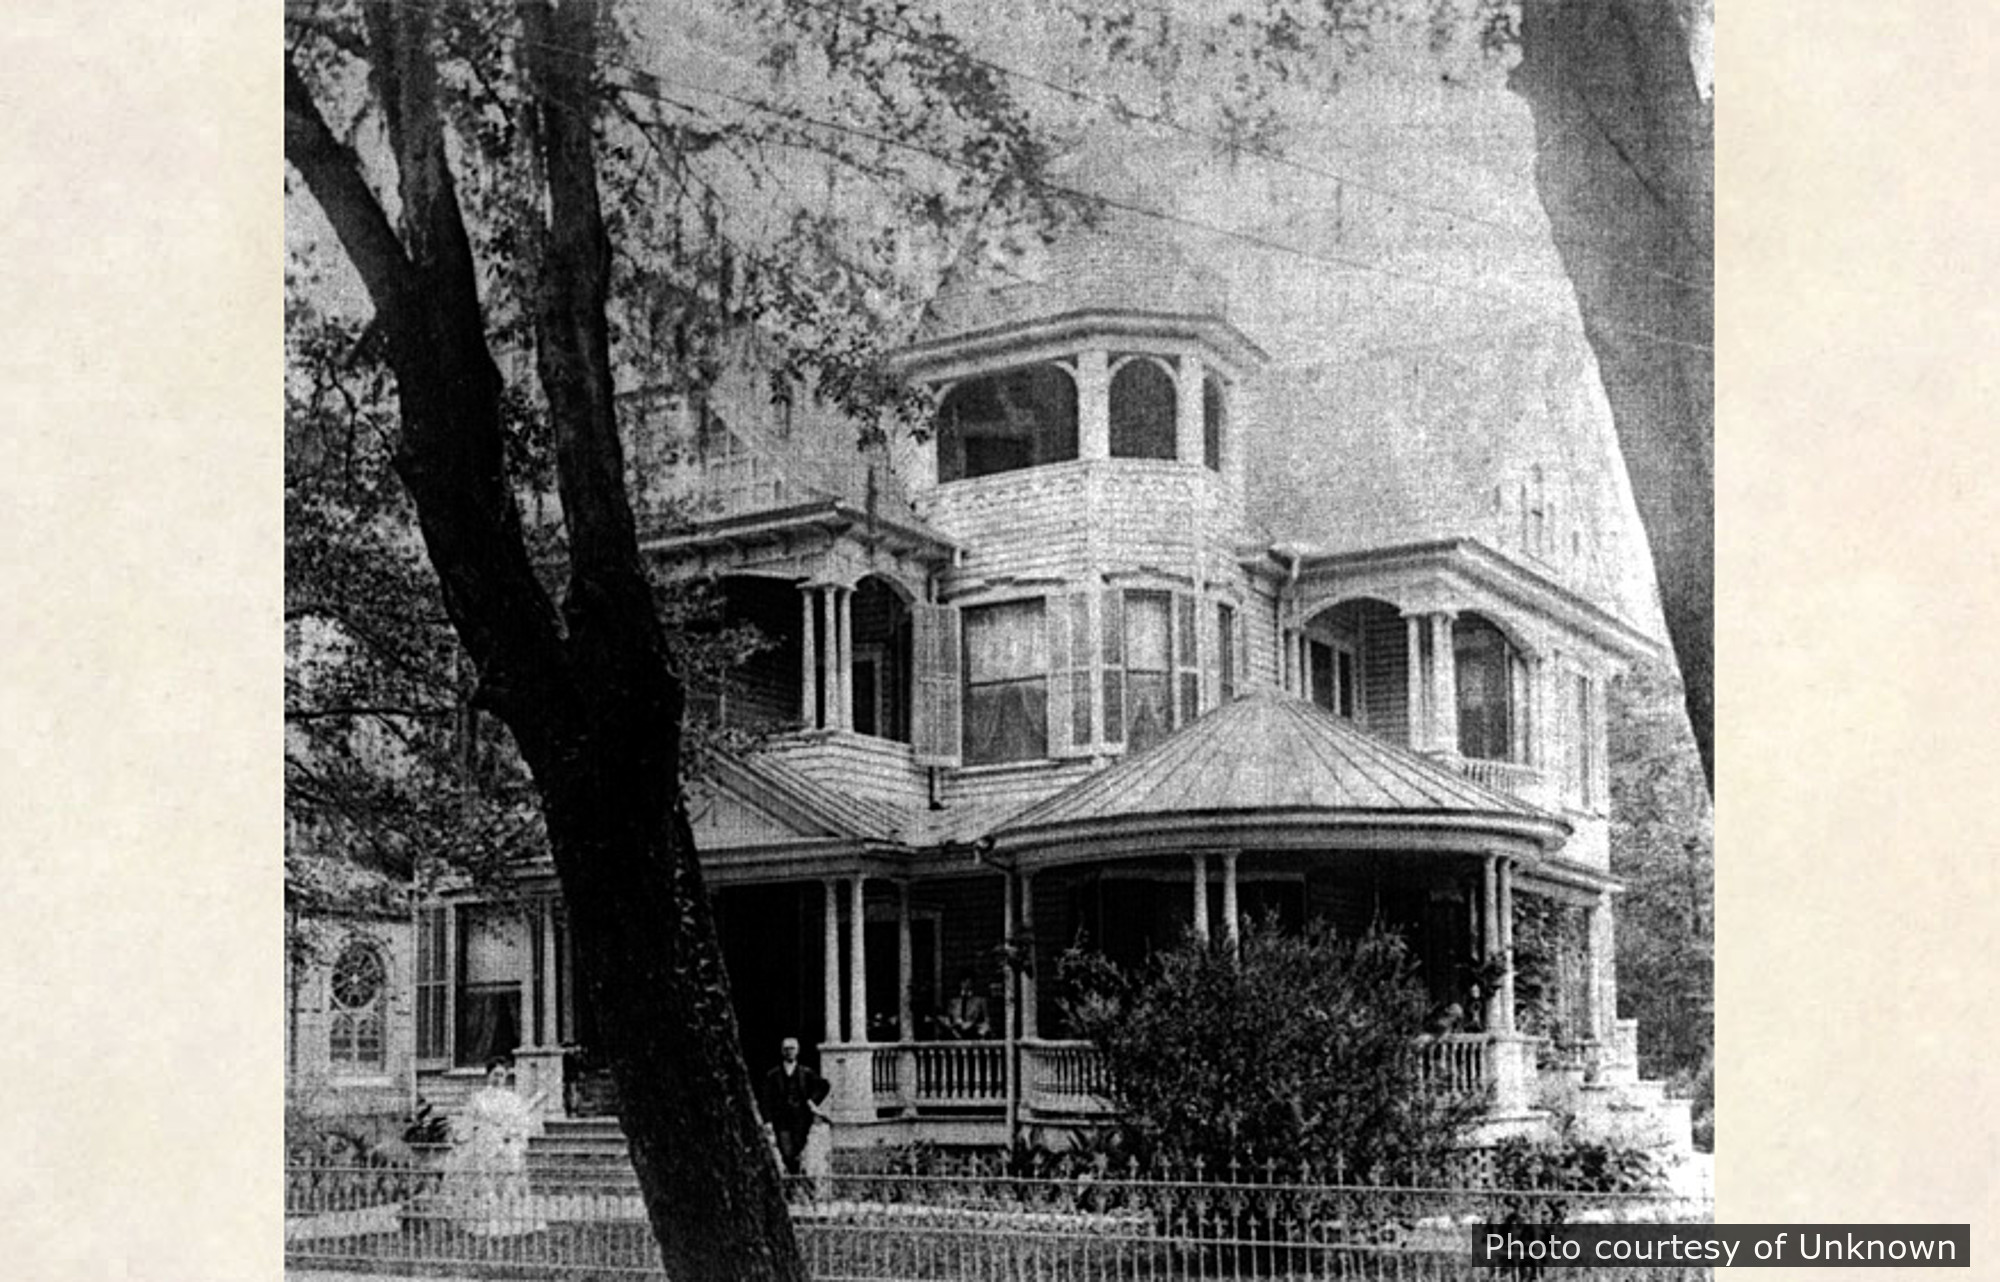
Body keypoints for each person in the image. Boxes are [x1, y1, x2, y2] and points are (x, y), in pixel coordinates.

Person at [440, 1059, 546, 1236]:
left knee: (508, 1183)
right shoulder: (478, 1098)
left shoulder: (512, 1099)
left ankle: (511, 1224)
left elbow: (521, 1123)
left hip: (505, 1143)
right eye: (494, 1074)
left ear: (506, 1077)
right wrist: (462, 1135)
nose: (498, 1079)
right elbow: (468, 1121)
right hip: (484, 1142)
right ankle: (483, 1223)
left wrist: (511, 1134)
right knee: (483, 1183)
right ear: (488, 1075)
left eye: (501, 1075)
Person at [758, 1037, 829, 1177]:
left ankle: (796, 1180)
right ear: (782, 1051)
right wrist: (768, 1120)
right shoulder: (773, 1075)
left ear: (797, 1051)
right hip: (781, 1119)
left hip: (801, 1119)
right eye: (786, 1049)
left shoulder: (805, 1073)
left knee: (799, 1149)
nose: (789, 1052)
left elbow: (824, 1086)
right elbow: (766, 1099)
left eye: (792, 1049)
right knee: (786, 1150)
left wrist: (812, 1101)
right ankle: (791, 1178)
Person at [942, 975, 992, 1040]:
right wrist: (953, 1025)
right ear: (960, 983)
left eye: (969, 982)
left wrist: (973, 1024)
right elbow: (948, 1019)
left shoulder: (979, 1001)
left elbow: (986, 1021)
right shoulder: (953, 1002)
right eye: (964, 982)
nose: (966, 984)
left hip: (974, 1033)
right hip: (956, 1034)